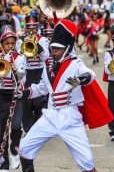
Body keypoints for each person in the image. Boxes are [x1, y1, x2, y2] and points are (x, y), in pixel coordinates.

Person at [17, 19, 102, 172]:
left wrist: (81, 79)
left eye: (58, 49)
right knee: (24, 148)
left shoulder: (75, 63)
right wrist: (23, 93)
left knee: (87, 162)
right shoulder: (47, 67)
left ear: (67, 48)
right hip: (51, 117)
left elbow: (89, 74)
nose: (54, 51)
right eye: (53, 48)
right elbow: (42, 88)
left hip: (70, 118)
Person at [16, 15, 49, 133]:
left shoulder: (43, 39)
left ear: (37, 27)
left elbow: (45, 56)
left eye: (33, 28)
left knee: (40, 101)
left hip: (39, 72)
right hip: (26, 73)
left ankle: (38, 127)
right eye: (29, 28)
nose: (31, 31)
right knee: (26, 101)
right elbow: (18, 59)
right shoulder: (20, 40)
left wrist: (36, 45)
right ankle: (28, 129)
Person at [0, 25, 26, 170]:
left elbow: (22, 77)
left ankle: (13, 149)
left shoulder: (20, 58)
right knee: (2, 130)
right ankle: (4, 163)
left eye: (12, 43)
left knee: (16, 127)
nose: (10, 46)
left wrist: (12, 62)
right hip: (2, 96)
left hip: (17, 96)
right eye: (7, 44)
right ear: (2, 45)